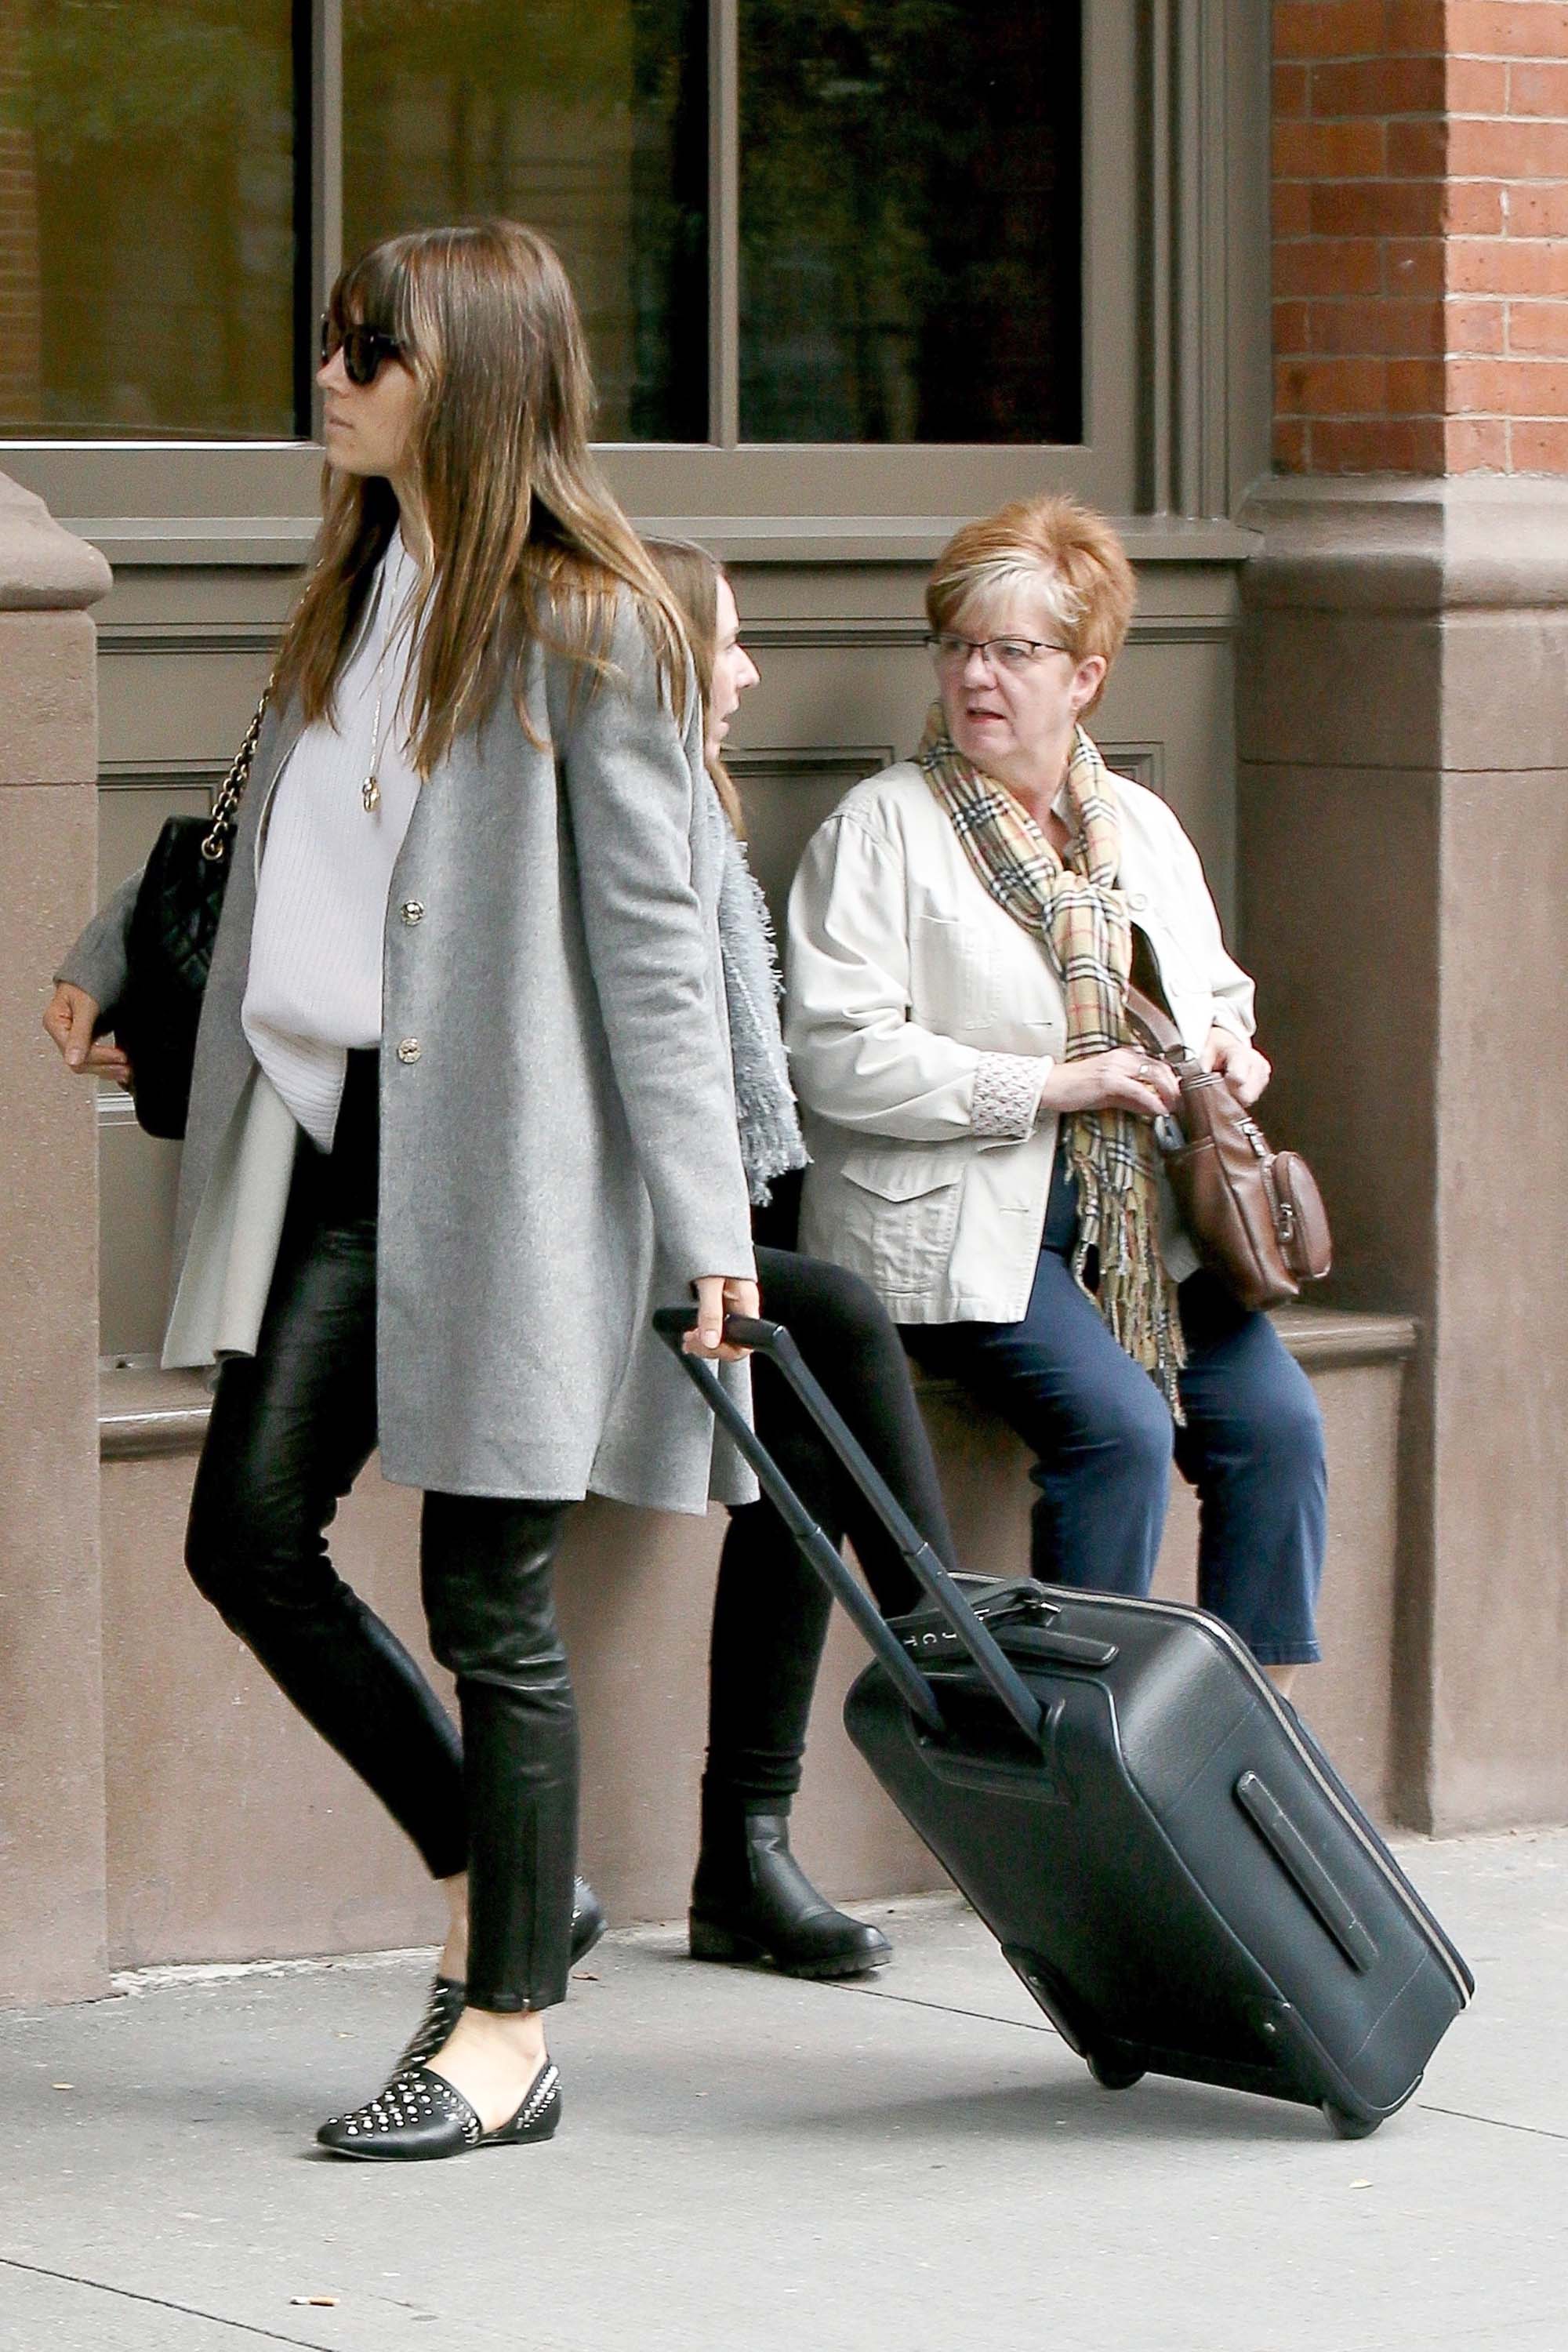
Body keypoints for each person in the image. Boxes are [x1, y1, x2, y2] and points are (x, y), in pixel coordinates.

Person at [45, 221, 759, 2161]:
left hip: (517, 1177)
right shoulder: (359, 586)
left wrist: (706, 1237)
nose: (333, 373)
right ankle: (500, 1863)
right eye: (336, 339)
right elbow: (269, 819)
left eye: (374, 350)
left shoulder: (586, 627)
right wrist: (120, 945)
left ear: (479, 381)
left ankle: (509, 2023)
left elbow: (662, 954)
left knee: (486, 1598)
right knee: (246, 1535)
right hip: (337, 1146)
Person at [785, 492, 1326, 1694]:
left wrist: (1230, 1054)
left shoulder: (1138, 824)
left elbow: (1215, 994)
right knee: (1121, 1434)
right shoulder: (882, 830)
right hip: (970, 1226)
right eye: (958, 645)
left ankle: (1252, 1737)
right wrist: (1049, 1085)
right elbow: (832, 1054)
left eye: (1012, 651)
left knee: (1279, 1432)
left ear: (1084, 677)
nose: (977, 676)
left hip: (1143, 1230)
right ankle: (1089, 1746)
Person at [644, 539, 960, 1980]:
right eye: (728, 641)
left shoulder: (691, 807)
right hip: (594, 1246)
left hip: (695, 1226)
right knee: (828, 1313)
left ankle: (744, 1859)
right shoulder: (618, 820)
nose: (753, 671)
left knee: (810, 1410)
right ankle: (949, 1660)